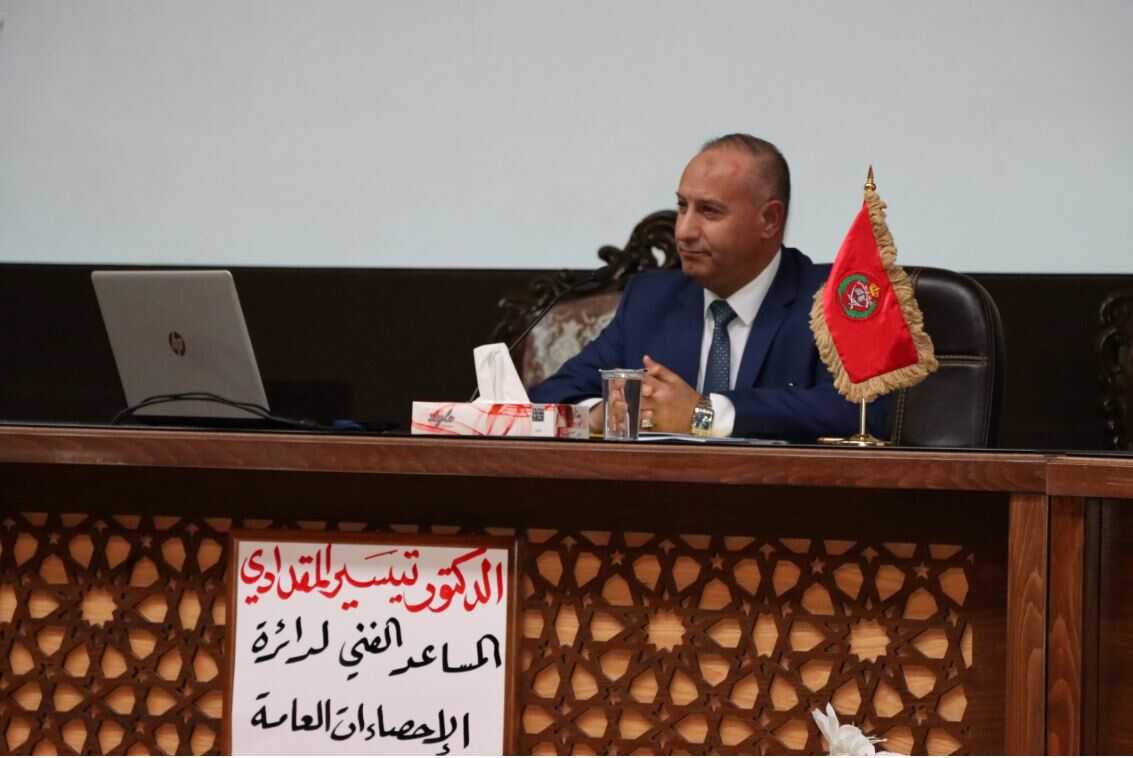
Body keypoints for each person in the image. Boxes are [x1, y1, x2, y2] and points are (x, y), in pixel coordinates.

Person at [527, 134, 887, 443]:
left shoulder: (834, 298)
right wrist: (603, 414)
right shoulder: (651, 300)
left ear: (769, 219)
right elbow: (547, 398)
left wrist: (705, 414)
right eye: (682, 207)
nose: (683, 231)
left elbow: (863, 413)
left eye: (709, 211)